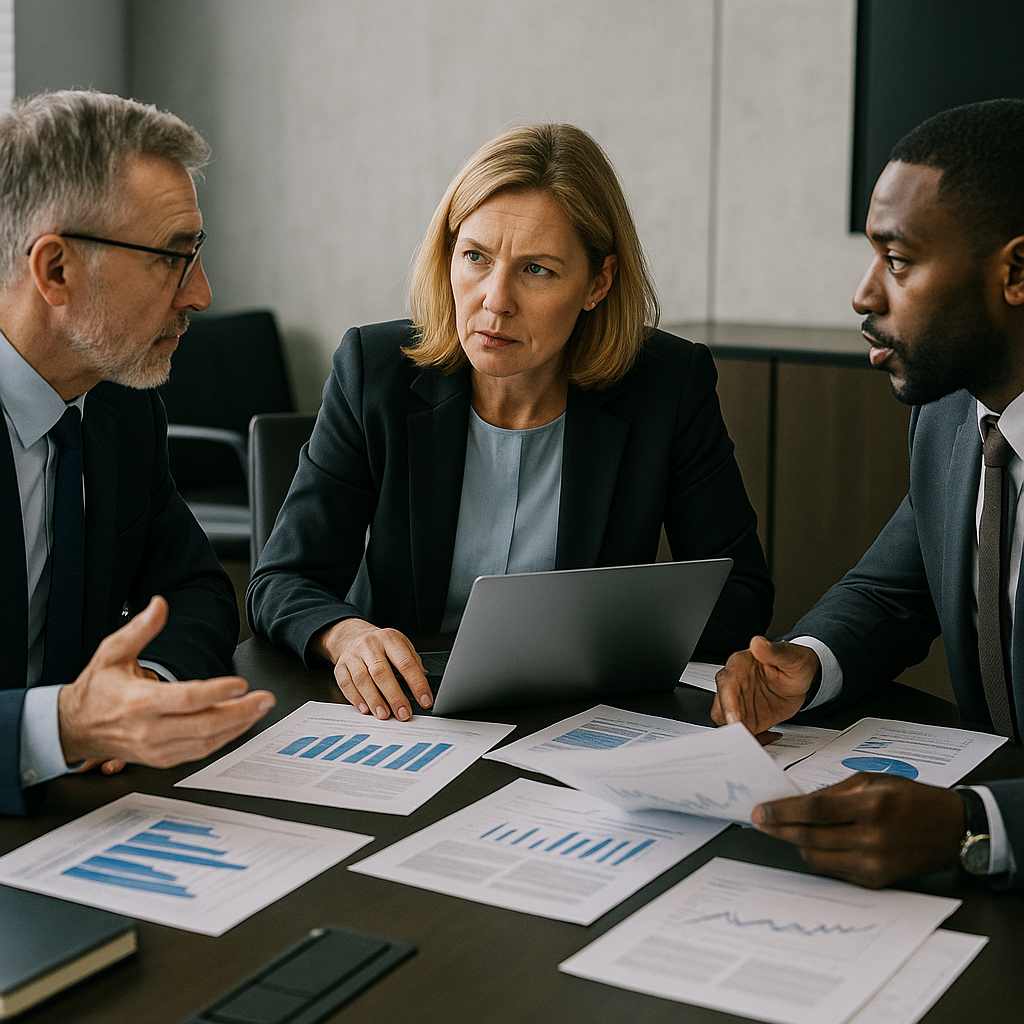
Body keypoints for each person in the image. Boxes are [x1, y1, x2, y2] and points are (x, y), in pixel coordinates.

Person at [249, 123, 773, 723]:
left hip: (582, 714)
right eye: (475, 256)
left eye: (538, 270)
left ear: (598, 283)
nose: (495, 299)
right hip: (408, 713)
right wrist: (345, 635)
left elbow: (740, 594)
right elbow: (282, 581)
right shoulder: (374, 371)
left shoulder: (667, 385)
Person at [713, 99, 1024, 890]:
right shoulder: (952, 415)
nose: (862, 295)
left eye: (898, 260)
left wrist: (977, 825)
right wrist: (805, 666)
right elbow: (892, 592)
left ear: (1016, 273)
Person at [0, 90, 275, 816]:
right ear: (55, 270)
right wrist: (59, 725)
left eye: (197, 254)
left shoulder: (121, 403)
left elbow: (194, 589)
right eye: (171, 259)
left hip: (88, 808)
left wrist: (147, 683)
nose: (203, 295)